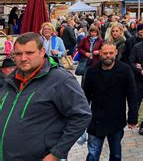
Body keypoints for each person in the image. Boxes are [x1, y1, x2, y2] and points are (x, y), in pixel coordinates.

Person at [0, 32, 91, 160]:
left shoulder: (60, 79)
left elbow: (82, 115)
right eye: (18, 54)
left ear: (42, 52)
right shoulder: (10, 79)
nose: (23, 58)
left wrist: (57, 153)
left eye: (29, 53)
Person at [83, 42, 138, 161]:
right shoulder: (92, 71)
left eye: (111, 53)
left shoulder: (125, 70)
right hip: (96, 119)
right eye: (105, 53)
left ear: (116, 53)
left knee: (116, 155)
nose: (108, 55)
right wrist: (82, 117)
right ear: (100, 53)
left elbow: (132, 95)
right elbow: (85, 96)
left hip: (116, 119)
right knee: (93, 154)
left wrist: (133, 116)